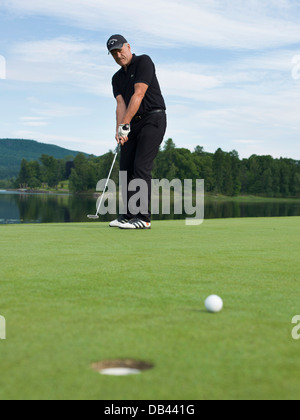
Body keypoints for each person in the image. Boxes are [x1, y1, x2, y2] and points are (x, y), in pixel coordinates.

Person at [107, 35, 167, 230]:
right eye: (113, 53)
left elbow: (138, 94)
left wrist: (125, 124)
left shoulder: (143, 61)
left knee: (141, 167)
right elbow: (120, 104)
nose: (118, 54)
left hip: (153, 119)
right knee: (125, 169)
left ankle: (143, 218)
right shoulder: (116, 78)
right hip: (132, 123)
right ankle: (128, 215)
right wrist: (120, 129)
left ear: (128, 46)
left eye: (120, 49)